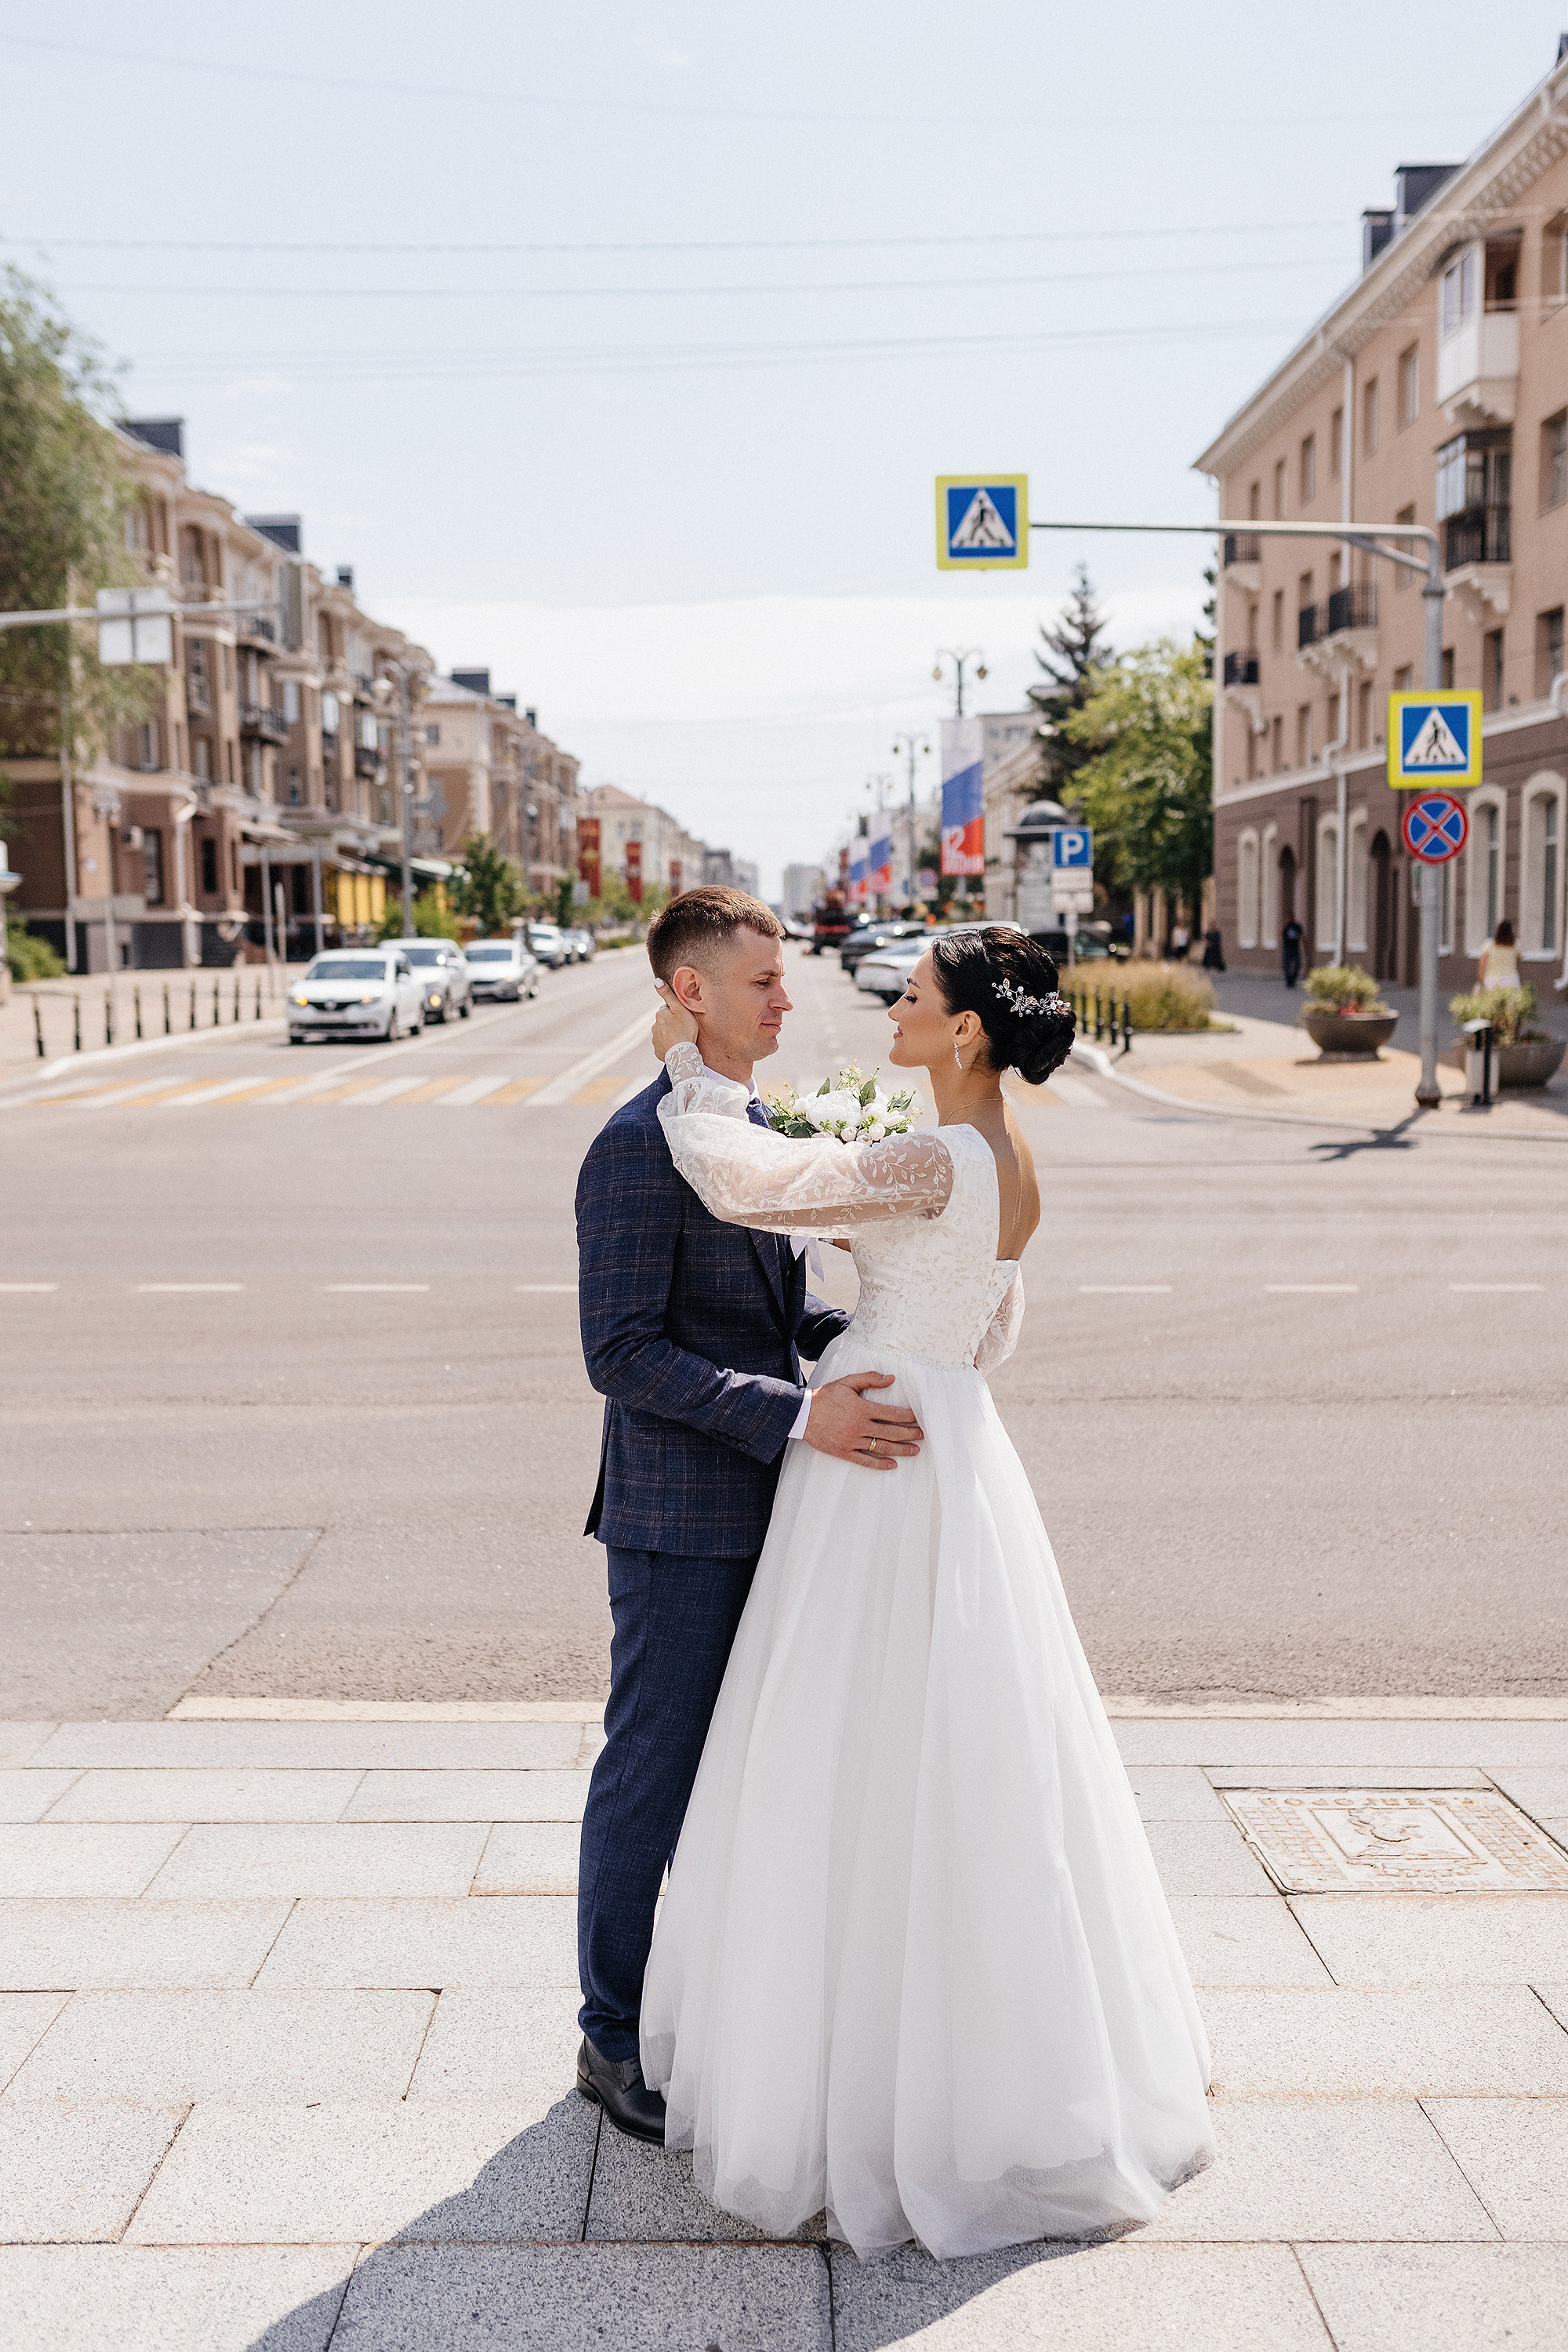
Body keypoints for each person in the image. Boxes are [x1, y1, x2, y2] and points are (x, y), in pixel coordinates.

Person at [639, 927, 1214, 2259]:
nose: (891, 1007)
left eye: (912, 995)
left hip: (883, 1456)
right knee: (972, 1749)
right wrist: (897, 1291)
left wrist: (687, 1073)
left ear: (965, 1031)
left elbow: (739, 1184)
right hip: (958, 1442)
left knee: (849, 1742)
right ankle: (993, 2065)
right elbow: (993, 1325)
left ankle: (854, 2079)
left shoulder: (939, 1155)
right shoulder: (1008, 1163)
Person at [573, 887, 924, 2145]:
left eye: (783, 979)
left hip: (787, 1509)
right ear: (690, 993)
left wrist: (880, 1346)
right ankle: (607, 2034)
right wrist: (795, 1415)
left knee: (747, 1782)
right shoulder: (636, 1145)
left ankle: (698, 2007)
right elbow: (619, 1353)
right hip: (678, 1523)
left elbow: (780, 1319)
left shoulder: (757, 1123)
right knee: (652, 1777)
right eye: (766, 984)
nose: (790, 999)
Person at [1477, 917, 1521, 989]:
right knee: (1511, 1000)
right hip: (1511, 979)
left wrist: (1480, 981)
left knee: (1492, 1000)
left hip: (1492, 979)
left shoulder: (1488, 945)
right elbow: (1518, 960)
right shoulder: (1516, 945)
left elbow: (1482, 964)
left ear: (1498, 931)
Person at [1281, 914, 1305, 989]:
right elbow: (1281, 933)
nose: (1290, 919)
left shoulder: (1296, 926)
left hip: (1295, 948)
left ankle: (1293, 980)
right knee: (1287, 965)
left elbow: (1301, 935)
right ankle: (1288, 981)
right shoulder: (1285, 927)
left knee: (1297, 964)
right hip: (1287, 948)